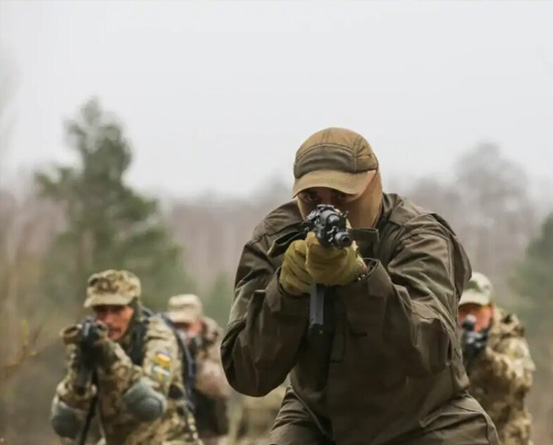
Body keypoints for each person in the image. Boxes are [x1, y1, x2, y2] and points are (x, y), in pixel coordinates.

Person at [221, 127, 499, 444]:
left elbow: (430, 349)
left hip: (425, 418)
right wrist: (286, 293)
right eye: (311, 198)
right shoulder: (275, 240)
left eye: (342, 196)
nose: (327, 208)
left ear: (372, 184)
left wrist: (361, 280)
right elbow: (246, 372)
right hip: (319, 421)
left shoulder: (419, 237)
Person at [49, 269, 201, 445]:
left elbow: (149, 404)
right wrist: (80, 369)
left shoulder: (158, 337)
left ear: (134, 309)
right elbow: (65, 422)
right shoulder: (93, 341)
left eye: (117, 310)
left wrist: (111, 358)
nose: (108, 320)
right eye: (101, 311)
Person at [457, 272, 536, 445]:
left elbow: (521, 380)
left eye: (477, 310)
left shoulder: (508, 338)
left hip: (507, 438)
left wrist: (485, 357)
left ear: (491, 309)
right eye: (464, 311)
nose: (471, 317)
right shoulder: (451, 341)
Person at [167, 293, 231, 444]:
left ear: (199, 323)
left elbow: (221, 386)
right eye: (176, 326)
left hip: (208, 426)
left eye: (186, 326)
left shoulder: (215, 341)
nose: (181, 332)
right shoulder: (161, 340)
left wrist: (194, 360)